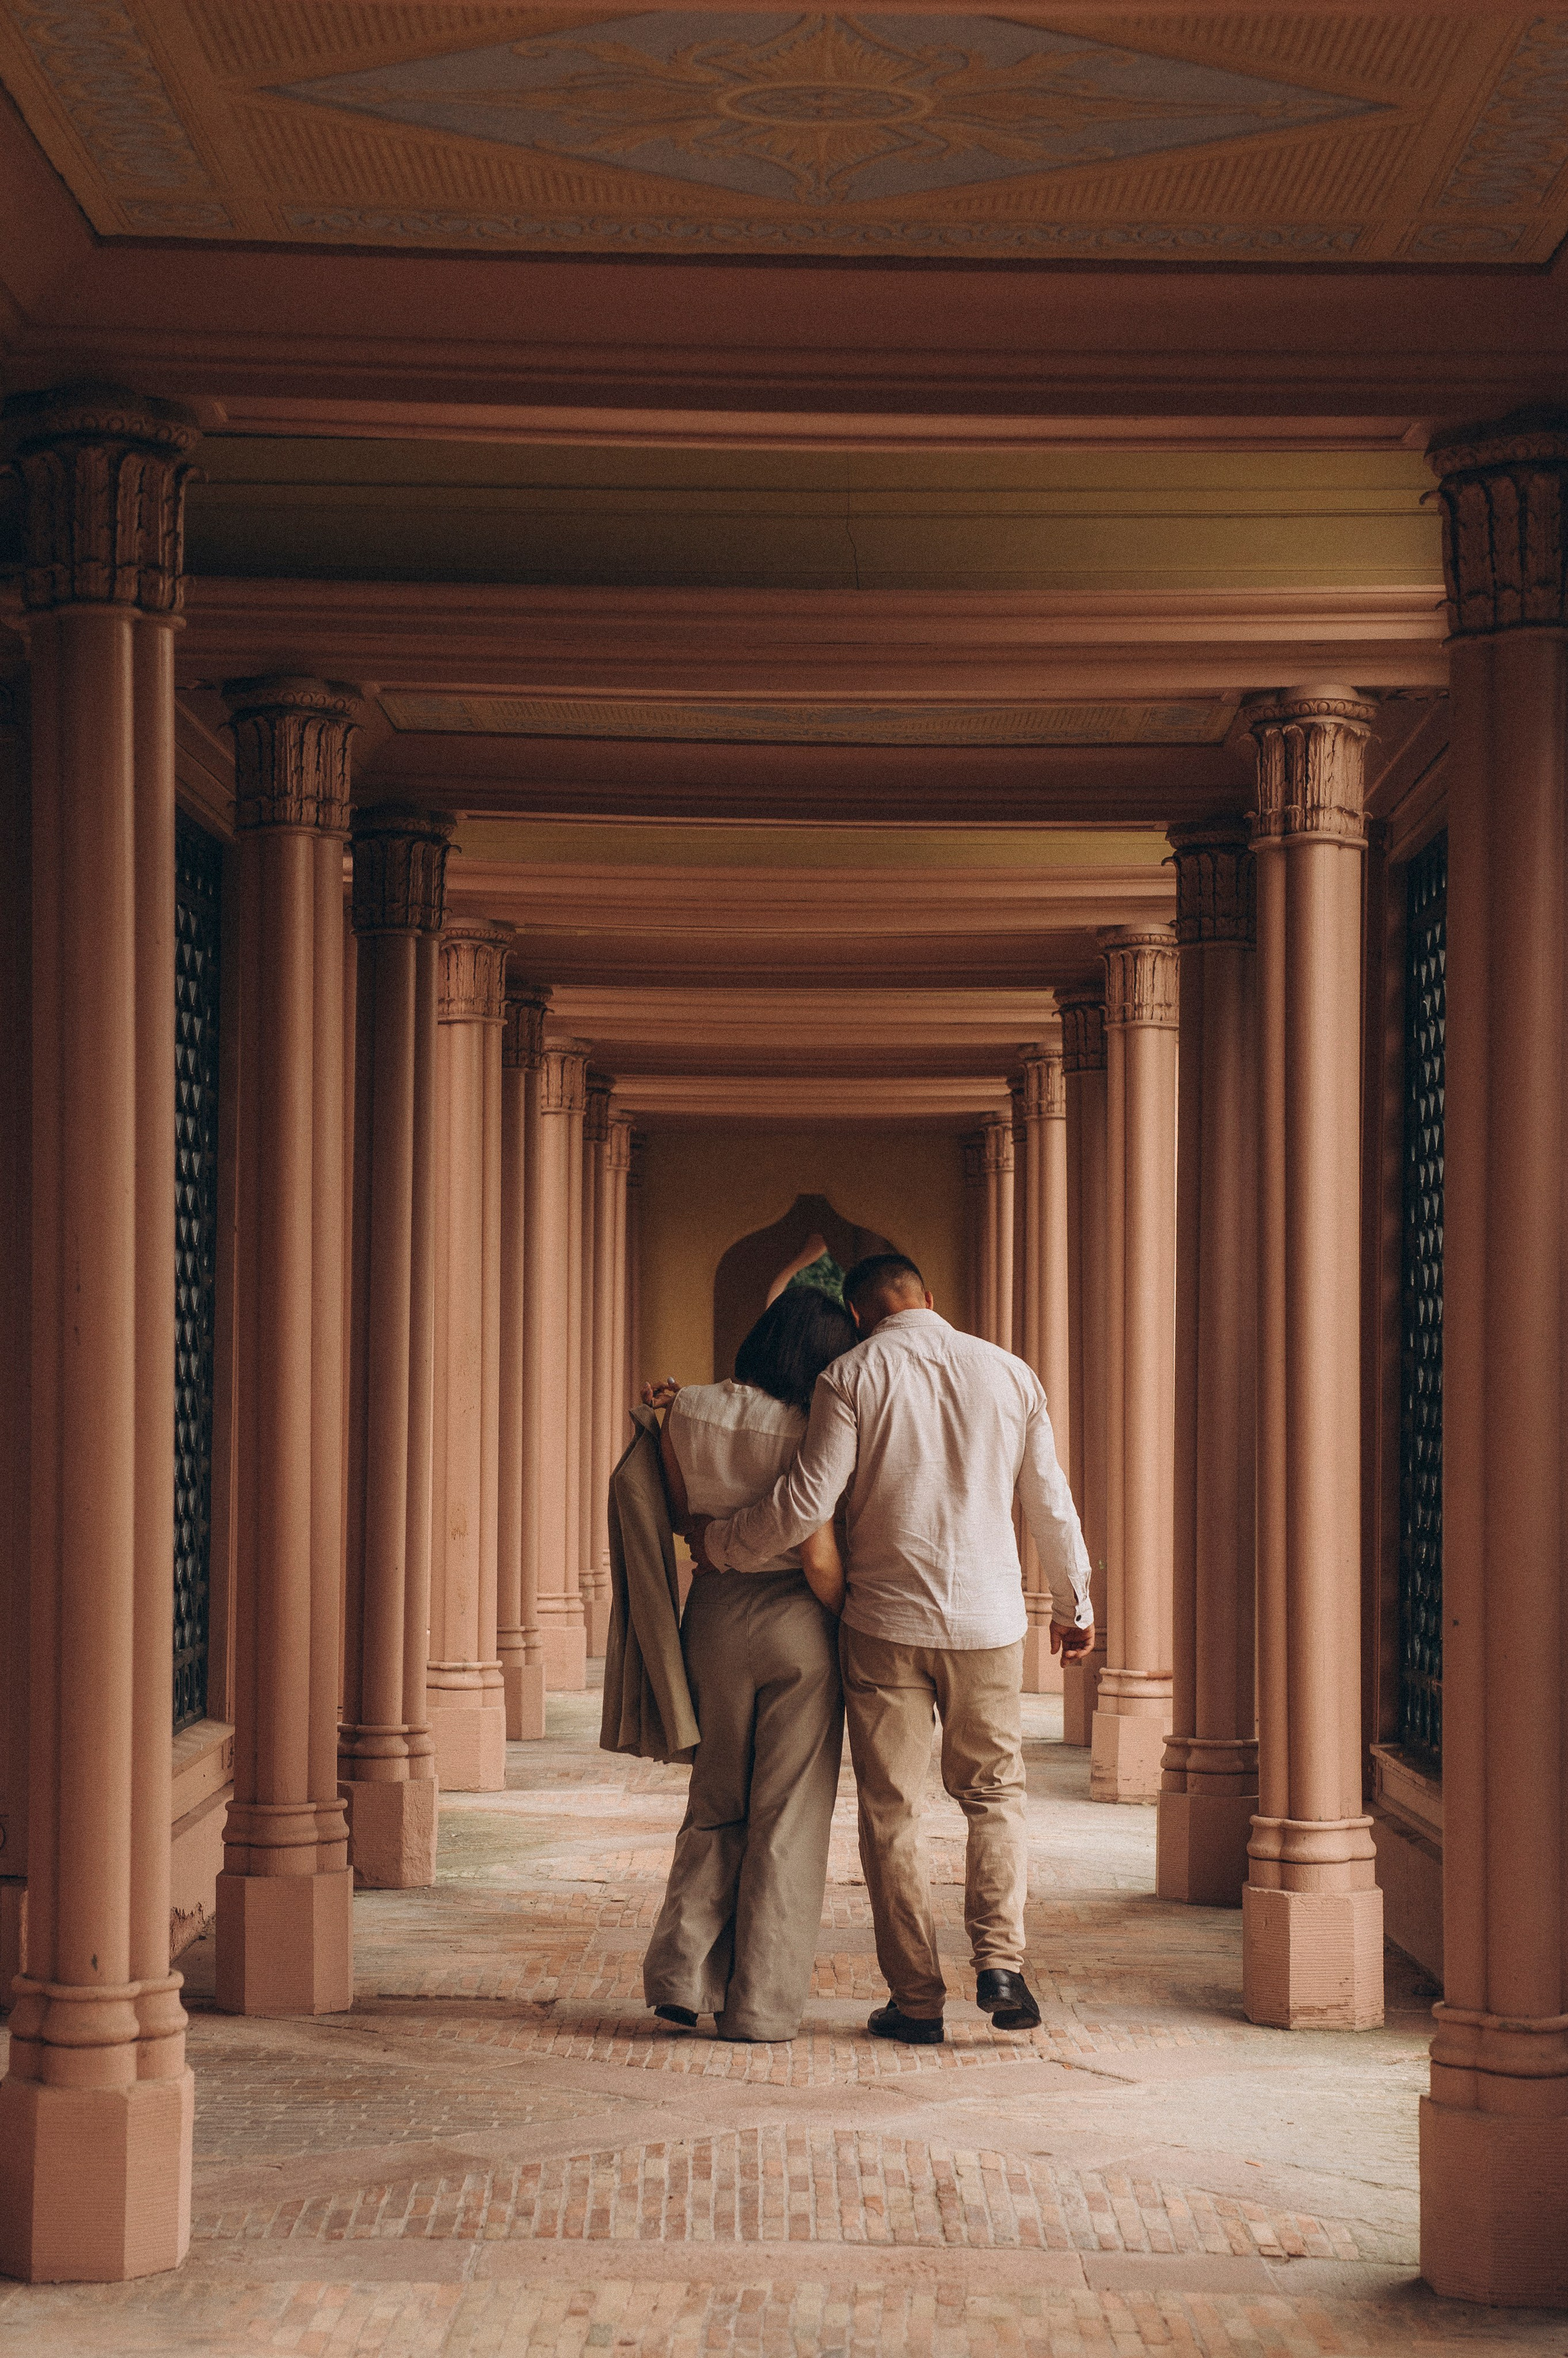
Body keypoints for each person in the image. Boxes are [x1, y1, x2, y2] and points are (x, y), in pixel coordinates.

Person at [691, 1252, 1094, 2047]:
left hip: (884, 1627)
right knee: (995, 1795)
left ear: (859, 1313)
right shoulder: (1010, 1375)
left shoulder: (851, 1376)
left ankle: (917, 2001)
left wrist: (723, 1545)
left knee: (893, 1816)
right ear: (929, 1298)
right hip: (987, 1623)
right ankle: (1001, 1963)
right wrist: (1078, 1600)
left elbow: (808, 1502)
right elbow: (1049, 1499)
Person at [640, 1287, 858, 2042]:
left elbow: (679, 1516)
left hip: (714, 1616)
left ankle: (679, 1974)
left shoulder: (687, 1410)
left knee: (715, 1802)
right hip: (799, 1616)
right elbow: (820, 1547)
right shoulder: (820, 1425)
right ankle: (759, 2008)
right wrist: (854, 1627)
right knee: (787, 1818)